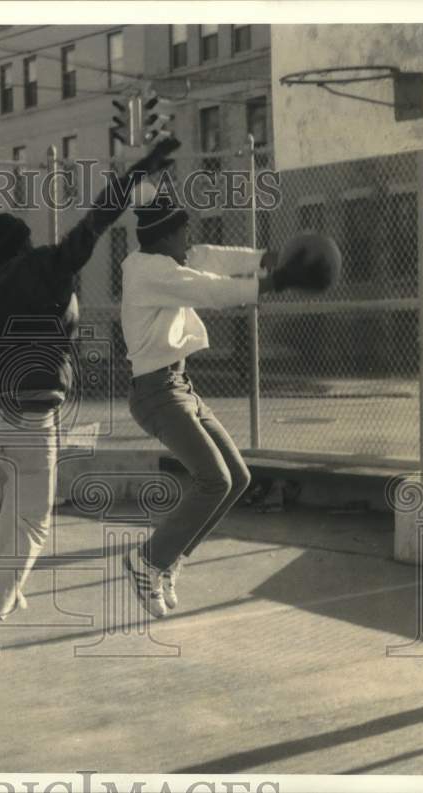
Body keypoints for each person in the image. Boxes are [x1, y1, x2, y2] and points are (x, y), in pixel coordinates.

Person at [0, 138, 181, 675]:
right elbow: (98, 220)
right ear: (23, 246)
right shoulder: (47, 267)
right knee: (33, 524)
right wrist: (138, 174)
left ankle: (13, 584)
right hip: (31, 417)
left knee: (16, 510)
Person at [120, 187, 315, 616]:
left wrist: (262, 257)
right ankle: (147, 559)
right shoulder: (151, 273)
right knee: (215, 480)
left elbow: (209, 257)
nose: (189, 242)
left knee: (238, 478)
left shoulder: (164, 259)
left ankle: (168, 560)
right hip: (156, 394)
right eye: (183, 233)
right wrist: (274, 282)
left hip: (179, 387)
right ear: (164, 236)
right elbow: (209, 288)